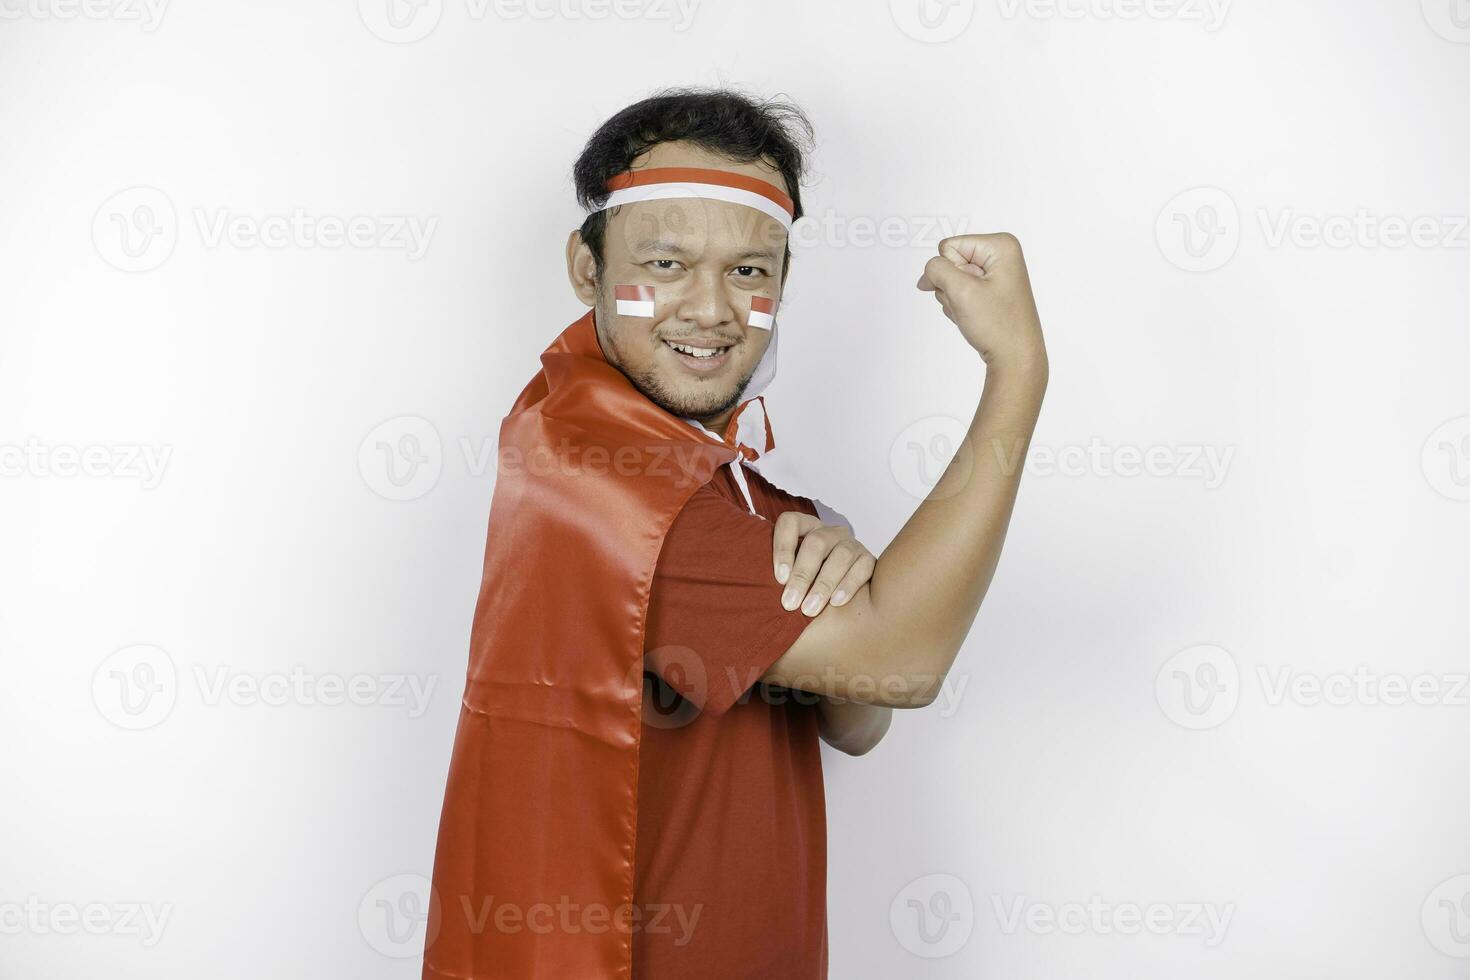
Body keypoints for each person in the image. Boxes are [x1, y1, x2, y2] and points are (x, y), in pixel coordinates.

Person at [423, 87, 1048, 980]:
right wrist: (1017, 368)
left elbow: (852, 716)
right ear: (586, 267)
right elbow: (898, 666)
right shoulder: (615, 476)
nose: (711, 309)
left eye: (750, 271)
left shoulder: (700, 469)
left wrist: (842, 556)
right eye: (667, 263)